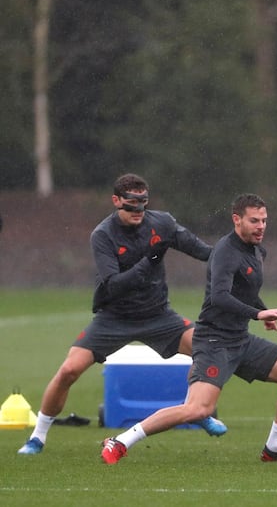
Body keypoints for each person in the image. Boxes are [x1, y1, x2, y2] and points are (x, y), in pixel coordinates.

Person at [18, 174, 227, 456]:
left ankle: (198, 410)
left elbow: (203, 251)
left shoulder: (162, 223)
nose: (137, 214)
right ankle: (37, 437)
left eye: (142, 207)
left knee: (208, 348)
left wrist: (233, 254)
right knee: (68, 370)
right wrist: (149, 260)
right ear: (116, 201)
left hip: (159, 316)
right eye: (131, 207)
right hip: (113, 318)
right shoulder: (103, 235)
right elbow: (113, 284)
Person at [100, 193, 277, 465]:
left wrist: (261, 310)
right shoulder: (225, 251)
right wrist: (258, 313)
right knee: (198, 409)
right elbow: (220, 296)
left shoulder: (257, 250)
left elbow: (244, 290)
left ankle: (274, 447)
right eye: (254, 220)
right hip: (214, 341)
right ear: (236, 219)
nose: (261, 226)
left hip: (240, 339)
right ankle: (120, 441)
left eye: (264, 220)